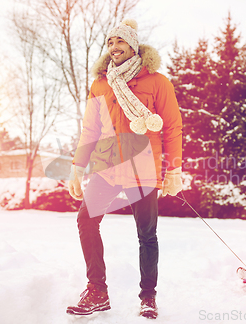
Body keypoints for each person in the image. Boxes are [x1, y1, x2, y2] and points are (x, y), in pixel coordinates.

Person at [66, 19, 182, 319]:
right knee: (85, 221)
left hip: (143, 168)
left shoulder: (157, 81)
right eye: (110, 42)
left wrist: (174, 170)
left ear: (132, 45)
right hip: (107, 166)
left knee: (147, 235)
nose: (113, 47)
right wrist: (78, 167)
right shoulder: (100, 84)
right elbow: (90, 129)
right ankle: (97, 291)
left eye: (120, 42)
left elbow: (171, 127)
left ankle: (148, 296)